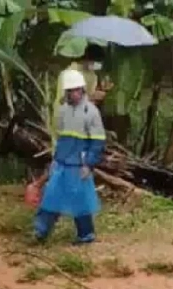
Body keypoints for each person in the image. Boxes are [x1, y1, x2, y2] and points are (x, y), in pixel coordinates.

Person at [34, 70, 106, 245]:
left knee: (80, 201)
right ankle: (40, 231)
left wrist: (89, 165)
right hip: (62, 161)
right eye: (68, 91)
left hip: (79, 164)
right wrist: (55, 159)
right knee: (51, 195)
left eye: (74, 90)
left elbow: (98, 142)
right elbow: (60, 137)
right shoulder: (63, 110)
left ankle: (86, 235)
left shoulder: (91, 112)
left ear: (81, 90)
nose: (71, 94)